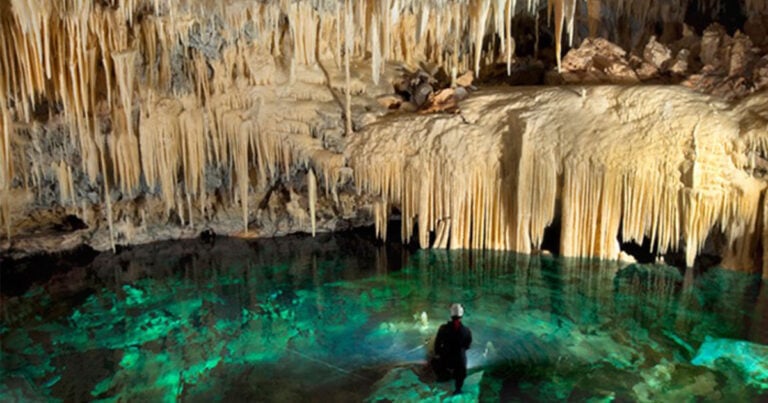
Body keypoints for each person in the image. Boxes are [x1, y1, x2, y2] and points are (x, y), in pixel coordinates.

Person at [432, 303, 472, 395]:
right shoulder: (466, 330)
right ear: (461, 315)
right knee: (461, 371)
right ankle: (458, 389)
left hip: (446, 358)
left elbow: (437, 343)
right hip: (459, 360)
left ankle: (444, 376)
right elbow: (467, 346)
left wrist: (438, 353)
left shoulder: (443, 328)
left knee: (434, 361)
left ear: (451, 315)